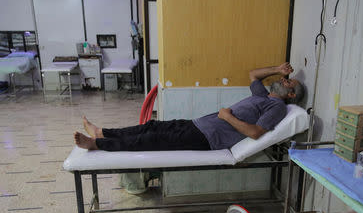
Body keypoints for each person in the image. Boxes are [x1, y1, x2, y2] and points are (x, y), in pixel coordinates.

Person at [74, 62, 304, 151]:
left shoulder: (277, 108)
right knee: (150, 126)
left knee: (151, 139)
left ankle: (97, 144)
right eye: (286, 78)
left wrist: (228, 118)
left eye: (289, 83)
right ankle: (102, 131)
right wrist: (278, 70)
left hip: (208, 137)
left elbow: (255, 133)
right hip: (198, 124)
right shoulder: (264, 95)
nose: (285, 80)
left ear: (291, 94)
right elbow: (253, 73)